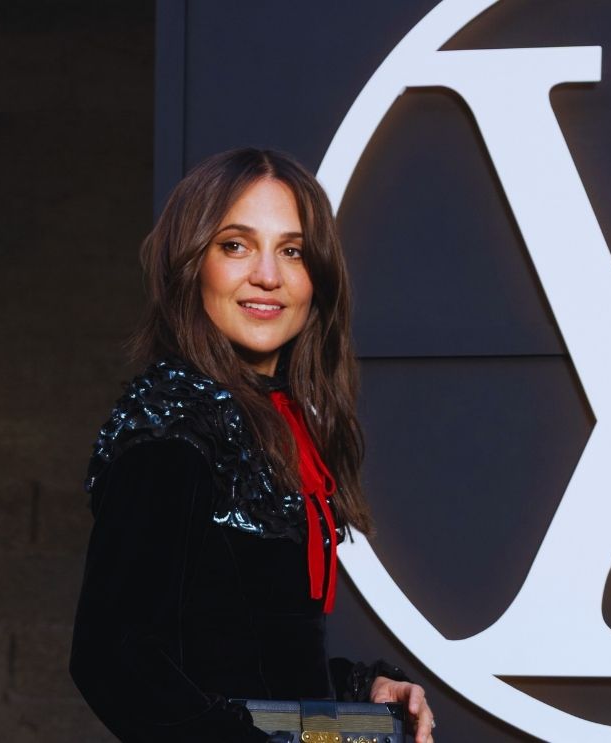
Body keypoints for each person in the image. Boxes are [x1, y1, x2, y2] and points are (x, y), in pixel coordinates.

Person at [69, 147, 436, 742]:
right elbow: (115, 660)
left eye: (291, 251)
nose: (268, 275)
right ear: (191, 263)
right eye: (235, 245)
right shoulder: (171, 427)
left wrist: (359, 693)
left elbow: (245, 654)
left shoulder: (277, 419)